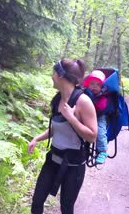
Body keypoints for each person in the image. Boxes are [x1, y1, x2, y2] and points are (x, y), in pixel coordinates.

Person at [28, 58, 97, 214]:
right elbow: (56, 128)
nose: (52, 76)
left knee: (66, 208)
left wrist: (71, 118)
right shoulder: (57, 99)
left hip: (74, 166)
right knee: (37, 202)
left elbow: (92, 136)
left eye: (53, 73)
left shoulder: (83, 101)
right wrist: (37, 139)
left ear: (60, 75)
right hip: (53, 160)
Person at [83, 70, 109, 165]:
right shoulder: (84, 93)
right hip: (86, 116)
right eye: (92, 83)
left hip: (99, 116)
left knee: (100, 131)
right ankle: (82, 147)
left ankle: (102, 151)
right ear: (87, 84)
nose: (94, 86)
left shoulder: (103, 96)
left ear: (102, 87)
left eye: (98, 85)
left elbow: (101, 108)